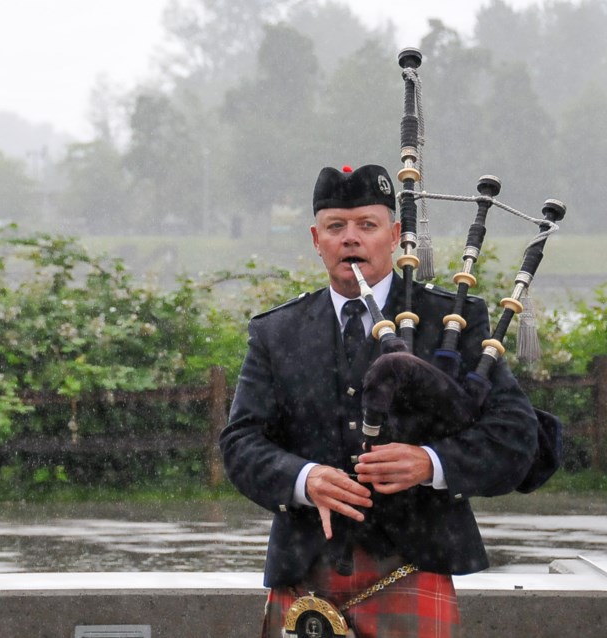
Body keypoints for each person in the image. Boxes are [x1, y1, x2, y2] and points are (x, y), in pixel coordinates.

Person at [219, 164, 540, 637]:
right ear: (316, 238)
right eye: (336, 226)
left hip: (414, 564)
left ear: (393, 235)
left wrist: (429, 462)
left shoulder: (451, 319)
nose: (351, 239)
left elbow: (515, 436)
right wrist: (305, 479)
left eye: (366, 225)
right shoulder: (276, 331)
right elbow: (240, 443)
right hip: (306, 571)